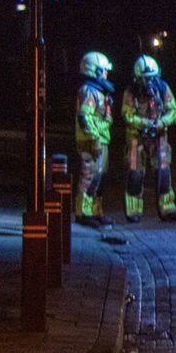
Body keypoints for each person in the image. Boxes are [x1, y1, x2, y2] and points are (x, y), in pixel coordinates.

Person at [122, 54, 176, 222]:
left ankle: (167, 208)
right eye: (145, 78)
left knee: (163, 172)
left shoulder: (162, 88)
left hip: (159, 136)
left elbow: (173, 110)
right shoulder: (131, 92)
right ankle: (133, 210)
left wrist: (162, 122)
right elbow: (127, 114)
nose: (149, 82)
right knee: (135, 174)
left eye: (152, 78)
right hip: (137, 137)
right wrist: (144, 123)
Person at [75, 50, 115, 228]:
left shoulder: (99, 91)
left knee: (100, 178)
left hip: (101, 139)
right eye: (104, 70)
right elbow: (84, 118)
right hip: (91, 142)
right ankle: (83, 213)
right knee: (89, 177)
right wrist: (94, 139)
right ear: (95, 70)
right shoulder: (89, 91)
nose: (106, 73)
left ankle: (96, 211)